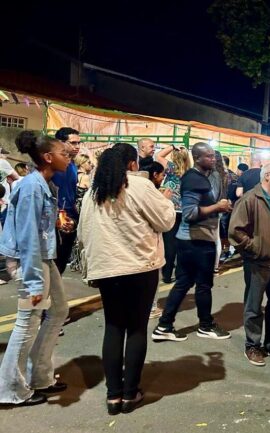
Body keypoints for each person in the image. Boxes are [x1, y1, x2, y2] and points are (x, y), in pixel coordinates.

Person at [78, 143, 175, 414]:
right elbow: (165, 221)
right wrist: (165, 198)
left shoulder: (93, 193)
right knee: (135, 329)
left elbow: (83, 233)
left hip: (107, 269)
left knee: (113, 327)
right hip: (139, 267)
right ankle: (130, 394)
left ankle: (113, 396)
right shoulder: (140, 187)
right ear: (132, 164)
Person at [0, 131, 70, 407]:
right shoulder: (30, 186)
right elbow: (27, 235)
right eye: (64, 152)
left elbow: (36, 227)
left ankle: (40, 376)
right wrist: (32, 282)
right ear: (48, 157)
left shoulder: (44, 183)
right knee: (27, 323)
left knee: (59, 310)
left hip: (43, 255)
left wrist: (56, 225)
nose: (69, 156)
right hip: (32, 259)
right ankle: (10, 388)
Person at [152, 142, 233, 342]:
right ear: (197, 158)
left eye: (214, 156)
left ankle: (164, 325)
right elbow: (189, 213)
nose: (213, 160)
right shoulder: (194, 179)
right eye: (209, 157)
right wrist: (217, 207)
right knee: (203, 284)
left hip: (195, 239)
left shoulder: (200, 177)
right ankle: (204, 325)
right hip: (196, 240)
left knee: (184, 282)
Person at [229, 162, 270, 366]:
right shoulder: (250, 199)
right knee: (254, 305)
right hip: (259, 262)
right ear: (266, 176)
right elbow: (235, 231)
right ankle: (253, 346)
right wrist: (255, 248)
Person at [156, 145, 192, 284]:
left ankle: (166, 274)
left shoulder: (170, 168)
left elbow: (158, 156)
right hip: (186, 210)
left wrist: (172, 147)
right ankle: (180, 273)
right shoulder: (190, 172)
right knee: (182, 243)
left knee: (169, 243)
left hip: (171, 209)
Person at [51, 127, 82, 275]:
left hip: (70, 216)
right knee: (53, 262)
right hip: (55, 217)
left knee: (62, 260)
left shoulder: (72, 165)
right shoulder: (53, 164)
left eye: (79, 143)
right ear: (60, 142)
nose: (77, 147)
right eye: (73, 143)